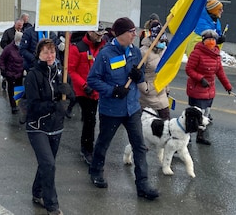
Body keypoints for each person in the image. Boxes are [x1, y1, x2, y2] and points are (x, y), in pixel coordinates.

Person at [86, 17, 159, 200]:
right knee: (103, 143)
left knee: (139, 147)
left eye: (135, 31)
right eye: (131, 31)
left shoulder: (135, 52)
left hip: (132, 108)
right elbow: (93, 80)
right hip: (111, 110)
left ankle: (142, 184)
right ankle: (96, 171)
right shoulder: (105, 54)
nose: (135, 34)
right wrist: (113, 91)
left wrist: (138, 75)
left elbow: (140, 76)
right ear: (120, 34)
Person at [25, 38, 74, 215]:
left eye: (52, 51)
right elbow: (32, 105)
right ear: (38, 54)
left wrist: (68, 92)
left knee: (47, 164)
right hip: (37, 126)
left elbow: (72, 99)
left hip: (56, 126)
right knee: (48, 164)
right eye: (45, 52)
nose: (49, 55)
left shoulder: (62, 72)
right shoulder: (33, 75)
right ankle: (52, 205)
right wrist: (54, 106)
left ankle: (37, 192)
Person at [185, 29, 233, 146]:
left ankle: (200, 136)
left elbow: (220, 71)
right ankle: (188, 136)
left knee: (205, 114)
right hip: (197, 88)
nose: (211, 42)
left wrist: (227, 86)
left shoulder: (216, 54)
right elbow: (189, 69)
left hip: (209, 90)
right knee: (195, 114)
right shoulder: (197, 53)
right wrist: (200, 78)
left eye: (213, 40)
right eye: (208, 40)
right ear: (203, 41)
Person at [68, 26, 106, 165]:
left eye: (102, 33)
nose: (101, 36)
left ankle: (90, 146)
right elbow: (71, 70)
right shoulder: (78, 48)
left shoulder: (103, 47)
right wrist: (85, 85)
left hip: (97, 90)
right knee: (90, 121)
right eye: (98, 33)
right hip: (83, 91)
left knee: (95, 120)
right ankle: (86, 149)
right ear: (90, 32)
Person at [138, 22, 171, 119]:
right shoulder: (143, 52)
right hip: (147, 96)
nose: (162, 42)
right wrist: (146, 89)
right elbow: (138, 74)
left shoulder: (165, 50)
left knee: (166, 125)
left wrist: (167, 88)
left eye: (163, 40)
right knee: (144, 127)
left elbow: (165, 72)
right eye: (160, 40)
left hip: (162, 93)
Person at [0, 31, 24, 114]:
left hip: (20, 72)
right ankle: (13, 106)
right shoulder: (8, 48)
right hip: (11, 73)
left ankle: (18, 104)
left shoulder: (23, 47)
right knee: (11, 90)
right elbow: (2, 59)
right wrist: (3, 69)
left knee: (19, 89)